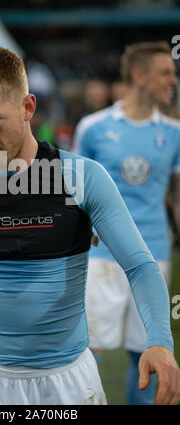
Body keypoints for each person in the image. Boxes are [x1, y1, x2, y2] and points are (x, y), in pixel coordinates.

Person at [0, 45, 180, 406]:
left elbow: (140, 266)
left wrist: (159, 341)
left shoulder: (82, 178)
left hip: (67, 382)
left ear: (27, 107)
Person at [73, 41, 180, 405]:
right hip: (102, 256)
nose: (173, 79)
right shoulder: (93, 127)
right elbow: (75, 193)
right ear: (139, 76)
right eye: (165, 72)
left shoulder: (174, 133)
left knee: (146, 351)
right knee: (88, 351)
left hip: (153, 254)